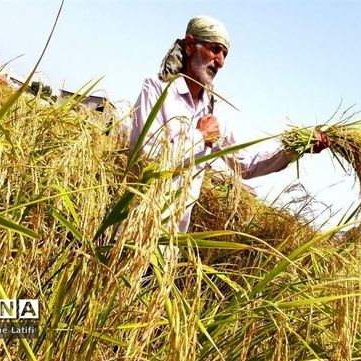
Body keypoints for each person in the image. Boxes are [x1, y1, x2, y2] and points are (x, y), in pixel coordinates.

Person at [129, 15, 329, 233]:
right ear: (189, 45)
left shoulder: (212, 110)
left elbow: (244, 164)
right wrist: (199, 137)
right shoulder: (158, 90)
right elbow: (147, 157)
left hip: (170, 242)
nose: (220, 61)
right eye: (214, 49)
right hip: (135, 230)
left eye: (224, 54)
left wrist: (294, 149)